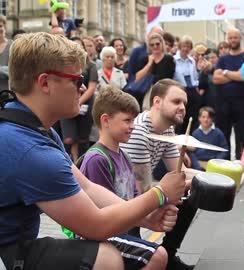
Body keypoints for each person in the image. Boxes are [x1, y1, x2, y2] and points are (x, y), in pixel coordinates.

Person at [0, 32, 185, 270]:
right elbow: (96, 225)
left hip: (15, 246)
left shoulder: (31, 126)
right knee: (106, 259)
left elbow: (88, 188)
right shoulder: (32, 150)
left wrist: (145, 216)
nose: (84, 87)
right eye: (76, 81)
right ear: (45, 83)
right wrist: (159, 194)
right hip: (7, 253)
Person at [79, 85, 171, 265]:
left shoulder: (125, 156)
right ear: (105, 120)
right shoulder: (97, 160)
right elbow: (105, 215)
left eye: (134, 120)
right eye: (127, 120)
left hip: (124, 231)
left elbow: (135, 198)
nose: (133, 126)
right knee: (157, 256)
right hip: (103, 237)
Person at [120, 79, 199, 270]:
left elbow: (180, 172)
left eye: (184, 103)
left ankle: (169, 255)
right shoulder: (138, 132)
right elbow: (145, 192)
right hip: (121, 207)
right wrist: (193, 182)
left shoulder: (167, 130)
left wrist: (215, 176)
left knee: (194, 193)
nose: (182, 107)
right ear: (157, 102)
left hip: (137, 200)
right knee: (188, 190)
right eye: (176, 102)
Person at [212, 28, 244, 160]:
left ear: (240, 38)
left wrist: (225, 72)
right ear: (227, 39)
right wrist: (236, 74)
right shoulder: (223, 58)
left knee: (242, 134)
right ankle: (223, 162)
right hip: (223, 103)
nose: (232, 40)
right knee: (224, 134)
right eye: (230, 38)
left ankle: (243, 162)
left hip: (243, 103)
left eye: (235, 37)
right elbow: (216, 79)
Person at [61, 36, 98, 161]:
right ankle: (68, 162)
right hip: (66, 102)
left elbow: (91, 88)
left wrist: (78, 101)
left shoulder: (90, 66)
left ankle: (83, 163)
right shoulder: (63, 65)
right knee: (69, 138)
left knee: (83, 138)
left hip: (85, 104)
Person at [136, 33, 176, 110]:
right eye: (152, 45)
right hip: (148, 92)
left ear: (162, 44)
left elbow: (170, 77)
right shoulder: (144, 59)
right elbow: (138, 77)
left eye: (157, 44)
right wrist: (149, 63)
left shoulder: (169, 59)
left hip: (164, 91)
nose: (155, 46)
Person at [173, 36, 202, 134]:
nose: (185, 49)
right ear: (180, 47)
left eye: (188, 47)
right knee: (181, 117)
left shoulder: (192, 60)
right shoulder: (174, 60)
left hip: (192, 89)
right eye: (184, 46)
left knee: (192, 117)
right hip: (180, 89)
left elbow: (194, 76)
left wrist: (197, 87)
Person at [0, 15, 11, 92]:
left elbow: (15, 70)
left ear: (5, 27)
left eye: (0, 26)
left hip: (8, 93)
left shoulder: (13, 46)